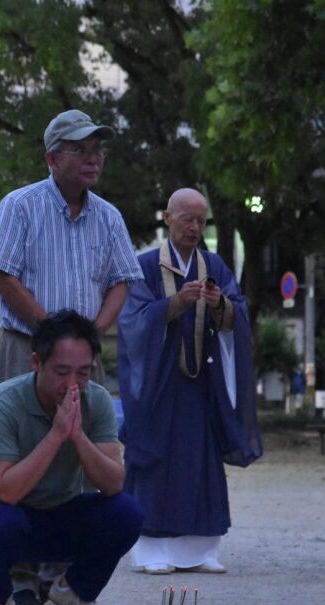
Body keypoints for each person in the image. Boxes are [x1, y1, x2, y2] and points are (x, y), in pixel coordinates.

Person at [0, 109, 143, 605]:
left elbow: (121, 280)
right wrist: (52, 333)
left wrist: (90, 337)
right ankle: (21, 580)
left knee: (83, 452)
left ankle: (60, 580)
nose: (93, 158)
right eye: (80, 149)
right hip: (27, 345)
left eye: (98, 149)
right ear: (52, 158)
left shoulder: (109, 216)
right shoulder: (21, 205)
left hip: (82, 354)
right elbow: (3, 276)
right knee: (23, 450)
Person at [0, 311, 143, 605]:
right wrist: (57, 435)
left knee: (127, 512)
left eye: (83, 373)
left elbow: (113, 484)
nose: (72, 383)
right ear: (36, 363)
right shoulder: (1, 404)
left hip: (62, 513)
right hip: (8, 514)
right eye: (61, 372)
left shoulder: (96, 400)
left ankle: (73, 591)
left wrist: (78, 437)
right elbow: (6, 491)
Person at [118, 188, 263, 574]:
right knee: (154, 462)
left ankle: (200, 551)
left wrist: (219, 305)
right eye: (187, 218)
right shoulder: (145, 266)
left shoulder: (214, 265)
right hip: (158, 388)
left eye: (201, 220)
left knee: (200, 464)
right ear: (168, 218)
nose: (195, 227)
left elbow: (239, 314)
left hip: (202, 386)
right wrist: (174, 304)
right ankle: (151, 553)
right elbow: (131, 321)